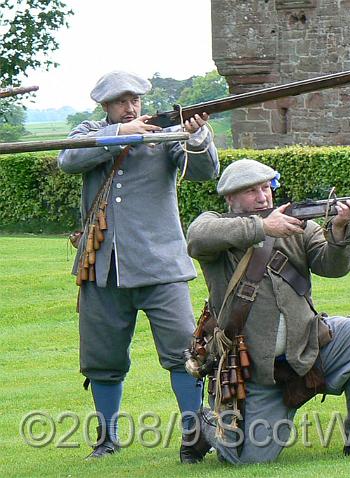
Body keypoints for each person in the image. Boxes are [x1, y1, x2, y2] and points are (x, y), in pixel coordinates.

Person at [185, 159, 350, 464]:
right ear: (230, 198)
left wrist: (339, 230)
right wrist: (262, 227)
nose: (263, 197)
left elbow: (333, 267)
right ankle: (204, 424)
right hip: (255, 371)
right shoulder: (218, 229)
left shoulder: (299, 227)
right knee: (246, 461)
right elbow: (197, 236)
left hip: (308, 346)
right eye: (251, 191)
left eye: (265, 188)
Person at [57, 70, 219, 462]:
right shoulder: (93, 132)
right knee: (102, 359)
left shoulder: (164, 136)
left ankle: (193, 433)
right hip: (103, 267)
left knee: (185, 352)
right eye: (120, 102)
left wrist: (197, 137)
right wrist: (124, 132)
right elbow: (69, 158)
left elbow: (204, 172)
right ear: (105, 106)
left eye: (135, 100)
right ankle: (107, 437)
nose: (130, 107)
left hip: (161, 265)